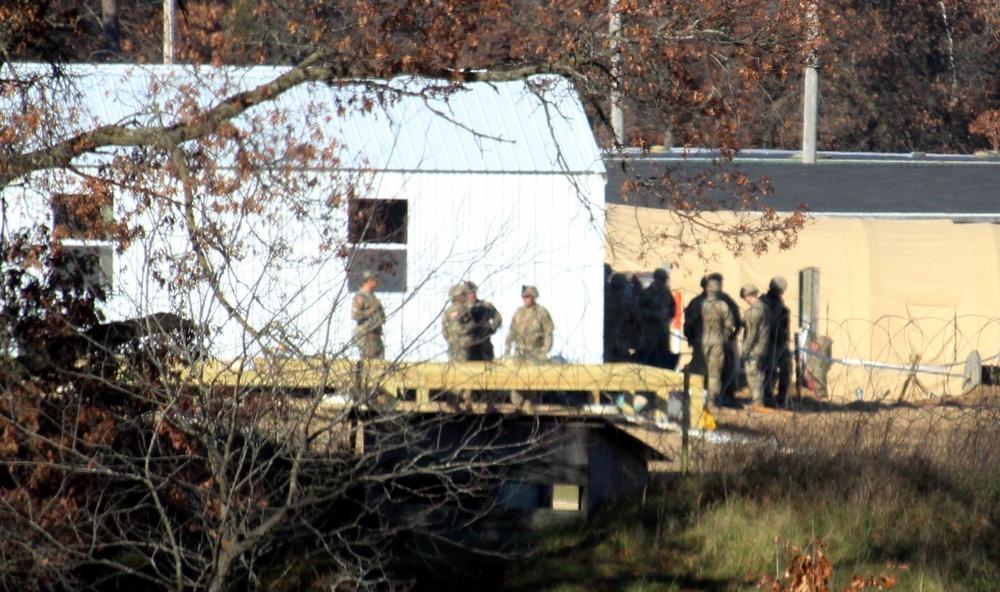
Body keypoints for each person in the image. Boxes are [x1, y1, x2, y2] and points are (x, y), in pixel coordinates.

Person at [701, 278, 737, 408]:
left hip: (701, 341)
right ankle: (711, 401)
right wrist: (725, 336)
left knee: (701, 370)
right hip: (717, 341)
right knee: (714, 371)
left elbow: (690, 323)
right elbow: (730, 325)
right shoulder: (723, 305)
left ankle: (698, 398)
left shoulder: (699, 304)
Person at [760, 276, 792, 407]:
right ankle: (767, 397)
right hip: (768, 342)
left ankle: (782, 397)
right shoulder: (764, 302)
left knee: (787, 369)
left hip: (780, 342)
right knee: (771, 371)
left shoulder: (778, 301)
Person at [637, 267, 676, 368]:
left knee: (664, 358)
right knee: (650, 359)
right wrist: (653, 314)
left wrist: (668, 315)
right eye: (662, 279)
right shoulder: (646, 293)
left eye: (665, 280)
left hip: (663, 331)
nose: (664, 282)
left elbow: (673, 307)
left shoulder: (667, 293)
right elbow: (638, 310)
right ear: (656, 279)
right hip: (650, 333)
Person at [739, 284, 771, 408]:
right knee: (757, 373)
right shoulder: (765, 308)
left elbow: (751, 335)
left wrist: (745, 351)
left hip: (753, 348)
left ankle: (757, 402)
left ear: (748, 296)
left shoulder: (752, 312)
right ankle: (759, 400)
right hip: (763, 346)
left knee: (752, 375)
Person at [504, 285, 554, 363]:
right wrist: (507, 351)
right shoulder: (519, 313)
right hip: (519, 353)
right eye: (523, 297)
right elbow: (511, 332)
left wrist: (543, 352)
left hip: (536, 353)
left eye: (527, 297)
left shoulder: (542, 312)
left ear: (533, 297)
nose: (525, 299)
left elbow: (548, 334)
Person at [604, 272, 641, 362]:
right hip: (622, 341)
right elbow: (637, 320)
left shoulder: (604, 300)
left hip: (608, 340)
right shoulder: (628, 301)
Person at [464, 280, 503, 361]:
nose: (473, 295)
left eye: (474, 292)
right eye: (470, 293)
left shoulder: (486, 305)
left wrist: (491, 327)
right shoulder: (462, 309)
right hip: (468, 346)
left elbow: (498, 317)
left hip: (484, 344)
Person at [351, 270, 385, 360]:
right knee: (368, 364)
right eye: (375, 280)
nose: (377, 283)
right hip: (366, 335)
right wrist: (370, 311)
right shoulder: (360, 297)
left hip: (376, 333)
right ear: (369, 281)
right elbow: (354, 315)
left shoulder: (373, 297)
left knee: (380, 363)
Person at [442, 283, 473, 361]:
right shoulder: (457, 310)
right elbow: (457, 329)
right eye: (464, 294)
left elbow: (446, 333)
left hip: (458, 346)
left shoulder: (451, 311)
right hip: (462, 348)